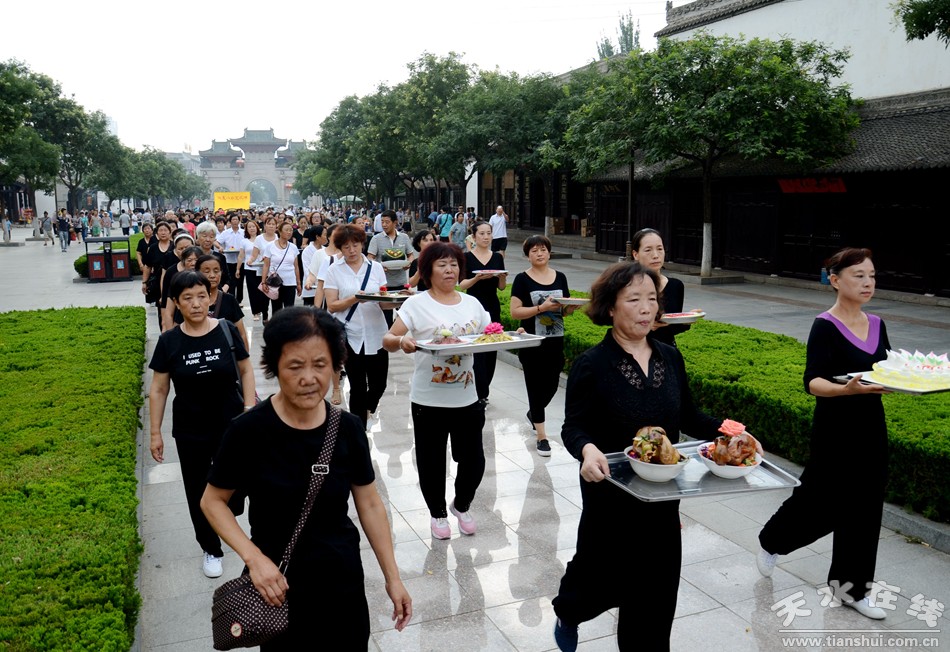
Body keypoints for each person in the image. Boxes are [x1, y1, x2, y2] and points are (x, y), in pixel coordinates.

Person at [200, 307, 412, 649]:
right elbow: (212, 502)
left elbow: (371, 504)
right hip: (277, 584)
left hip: (341, 579)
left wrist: (393, 578)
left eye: (320, 364)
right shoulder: (247, 431)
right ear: (275, 366)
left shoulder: (348, 428)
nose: (309, 378)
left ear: (336, 366)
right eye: (295, 366)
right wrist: (254, 560)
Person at [551, 261, 725, 652]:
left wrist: (732, 432)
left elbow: (690, 416)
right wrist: (587, 449)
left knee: (653, 601)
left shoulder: (669, 357)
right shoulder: (592, 364)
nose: (646, 308)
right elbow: (573, 427)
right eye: (634, 299)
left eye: (652, 299)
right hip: (609, 497)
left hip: (662, 499)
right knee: (595, 583)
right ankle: (568, 611)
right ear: (610, 307)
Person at [757, 247, 891, 620]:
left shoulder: (878, 324)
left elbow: (888, 368)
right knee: (818, 500)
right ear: (835, 280)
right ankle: (772, 541)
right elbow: (812, 381)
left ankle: (852, 589)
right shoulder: (825, 326)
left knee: (866, 506)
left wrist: (901, 380)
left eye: (871, 276)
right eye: (859, 276)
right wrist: (846, 390)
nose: (868, 283)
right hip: (835, 428)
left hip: (871, 427)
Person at [148, 271, 256, 579]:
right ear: (177, 303)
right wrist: (155, 433)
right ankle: (211, 548)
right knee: (197, 489)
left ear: (210, 298)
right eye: (187, 298)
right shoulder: (169, 341)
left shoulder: (225, 330)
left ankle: (226, 514)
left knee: (240, 484)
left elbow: (246, 370)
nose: (196, 304)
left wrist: (249, 409)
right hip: (191, 429)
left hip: (232, 424)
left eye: (201, 296)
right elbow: (159, 389)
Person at [382, 242, 491, 540]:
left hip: (467, 397)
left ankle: (462, 505)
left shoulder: (471, 303)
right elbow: (388, 339)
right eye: (442, 264)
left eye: (454, 264)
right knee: (431, 462)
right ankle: (438, 514)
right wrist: (401, 341)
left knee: (475, 461)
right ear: (428, 270)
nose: (449, 270)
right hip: (428, 400)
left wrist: (511, 334)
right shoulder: (416, 304)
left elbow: (490, 333)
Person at [510, 235, 579, 456]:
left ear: (549, 253)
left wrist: (570, 309)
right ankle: (542, 437)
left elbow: (563, 310)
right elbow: (515, 312)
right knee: (535, 387)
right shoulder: (522, 279)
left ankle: (534, 413)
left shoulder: (561, 277)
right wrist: (541, 308)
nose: (539, 254)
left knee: (551, 386)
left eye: (543, 250)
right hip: (531, 342)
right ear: (527, 256)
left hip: (555, 341)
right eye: (534, 251)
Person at [324, 225, 389, 430]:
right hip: (350, 336)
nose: (352, 250)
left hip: (377, 333)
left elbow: (383, 302)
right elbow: (332, 305)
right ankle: (358, 429)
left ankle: (369, 407)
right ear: (340, 248)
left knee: (379, 384)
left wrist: (401, 300)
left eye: (355, 245)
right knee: (357, 386)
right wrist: (355, 298)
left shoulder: (375, 267)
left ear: (362, 244)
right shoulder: (334, 270)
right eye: (346, 247)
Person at [459, 220, 507, 404]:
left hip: (492, 305)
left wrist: (502, 277)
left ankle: (484, 389)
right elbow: (463, 285)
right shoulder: (466, 257)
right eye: (482, 233)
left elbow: (501, 287)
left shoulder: (497, 257)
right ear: (474, 236)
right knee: (477, 349)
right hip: (473, 306)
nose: (486, 237)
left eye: (489, 233)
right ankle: (479, 392)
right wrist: (477, 278)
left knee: (491, 349)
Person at [631, 228, 690, 347]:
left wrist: (686, 320)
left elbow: (673, 328)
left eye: (660, 249)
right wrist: (645, 325)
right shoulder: (626, 285)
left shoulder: (675, 285)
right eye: (648, 250)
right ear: (635, 254)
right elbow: (614, 321)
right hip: (635, 349)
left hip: (666, 350)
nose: (656, 255)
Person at [184, 254, 250, 351]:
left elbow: (241, 334)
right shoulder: (188, 300)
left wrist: (245, 357)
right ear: (197, 273)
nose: (212, 275)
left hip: (224, 355)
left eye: (216, 271)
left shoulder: (229, 300)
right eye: (206, 271)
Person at [367, 209, 414, 327]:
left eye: (387, 222)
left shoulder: (404, 237)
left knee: (403, 315)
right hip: (384, 284)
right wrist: (379, 268)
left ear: (395, 222)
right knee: (386, 317)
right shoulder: (376, 239)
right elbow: (370, 258)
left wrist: (409, 263)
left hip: (401, 282)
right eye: (382, 222)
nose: (384, 225)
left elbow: (410, 255)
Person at [260, 221, 301, 315]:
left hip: (290, 282)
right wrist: (263, 281)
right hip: (275, 282)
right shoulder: (270, 246)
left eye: (291, 230)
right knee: (276, 309)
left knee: (290, 309)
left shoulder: (293, 247)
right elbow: (266, 265)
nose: (289, 232)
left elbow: (296, 267)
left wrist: (298, 283)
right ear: (280, 231)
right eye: (286, 230)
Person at [160, 239, 200, 331]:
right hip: (181, 325)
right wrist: (167, 331)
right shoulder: (177, 281)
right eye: (189, 260)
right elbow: (168, 310)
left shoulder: (207, 281)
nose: (193, 263)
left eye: (196, 260)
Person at [249, 216, 280, 322]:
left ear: (276, 226)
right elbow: (254, 255)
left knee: (275, 296)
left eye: (273, 224)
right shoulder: (259, 239)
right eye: (269, 224)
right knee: (263, 297)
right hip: (262, 271)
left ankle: (275, 318)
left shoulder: (278, 238)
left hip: (275, 273)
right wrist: (250, 260)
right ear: (265, 226)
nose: (271, 226)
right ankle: (265, 316)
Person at [195, 221, 231, 294]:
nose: (208, 240)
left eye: (211, 237)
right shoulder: (192, 256)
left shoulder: (220, 257)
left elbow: (227, 278)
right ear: (198, 237)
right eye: (204, 236)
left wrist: (223, 290)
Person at [217, 213, 245, 303]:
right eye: (233, 219)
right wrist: (220, 247)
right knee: (231, 281)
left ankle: (239, 300)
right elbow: (216, 242)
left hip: (241, 261)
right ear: (230, 221)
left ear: (239, 221)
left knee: (240, 281)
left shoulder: (244, 232)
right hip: (229, 260)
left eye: (236, 219)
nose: (235, 221)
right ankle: (232, 299)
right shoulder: (226, 233)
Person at [300, 224, 327, 307]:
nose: (326, 237)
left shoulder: (325, 250)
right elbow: (307, 271)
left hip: (325, 289)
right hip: (312, 288)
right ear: (317, 236)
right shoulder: (307, 251)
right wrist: (315, 282)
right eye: (325, 234)